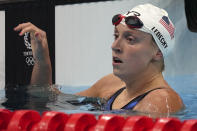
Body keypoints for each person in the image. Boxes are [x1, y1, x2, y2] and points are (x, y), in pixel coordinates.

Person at [14, 3, 183, 114]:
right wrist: (42, 61)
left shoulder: (160, 102)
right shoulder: (112, 85)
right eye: (116, 36)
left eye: (130, 39)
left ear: (158, 53)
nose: (115, 45)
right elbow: (47, 99)